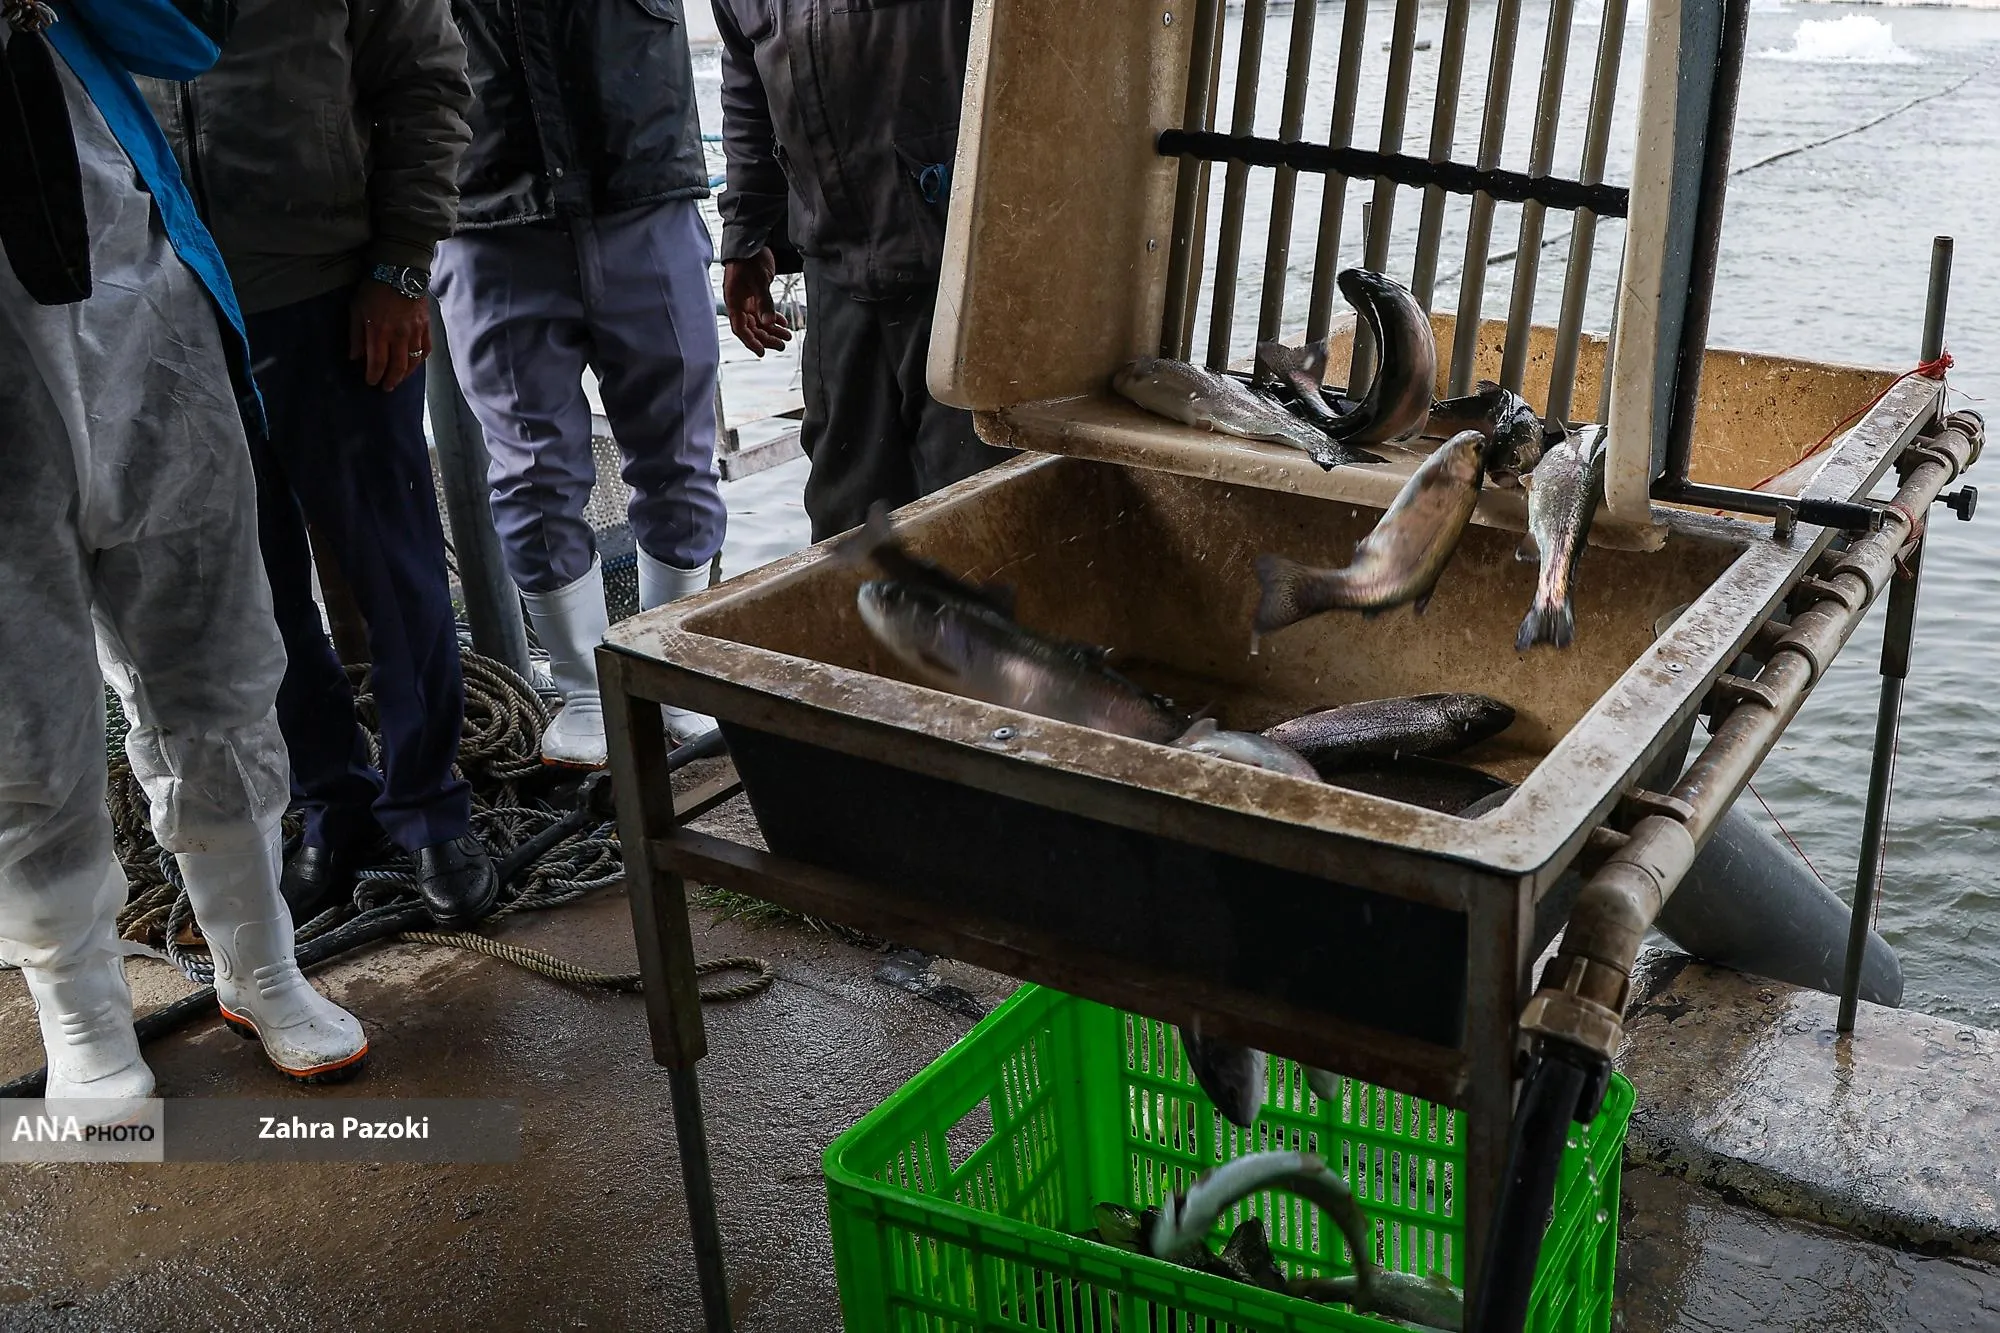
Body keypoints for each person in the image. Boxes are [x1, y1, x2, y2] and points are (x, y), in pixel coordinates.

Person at [0, 0, 367, 1102]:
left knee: (218, 660)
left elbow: (189, 35)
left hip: (143, 320)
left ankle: (260, 958)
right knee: (20, 720)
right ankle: (81, 1014)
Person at [142, 0, 496, 927]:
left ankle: (430, 809)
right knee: (255, 592)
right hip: (180, 306)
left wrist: (401, 265)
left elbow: (427, 82)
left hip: (334, 293)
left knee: (394, 566)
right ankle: (333, 802)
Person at [432, 0, 726, 770]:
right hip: (485, 213)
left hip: (643, 185)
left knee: (680, 451)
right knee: (532, 473)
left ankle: (673, 667)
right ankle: (585, 688)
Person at [711, 0, 1012, 545]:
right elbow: (748, 89)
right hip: (835, 277)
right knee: (848, 522)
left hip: (963, 274)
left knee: (979, 517)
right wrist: (746, 237)